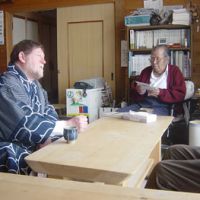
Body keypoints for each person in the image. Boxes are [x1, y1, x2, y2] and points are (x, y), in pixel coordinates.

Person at [0, 40, 88, 175]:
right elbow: (23, 121)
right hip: (10, 143)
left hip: (32, 141)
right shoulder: (6, 84)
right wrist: (65, 125)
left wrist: (47, 137)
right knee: (13, 154)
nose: (44, 62)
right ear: (22, 57)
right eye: (39, 56)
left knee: (68, 146)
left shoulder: (35, 85)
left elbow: (48, 110)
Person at [118, 45, 186, 116]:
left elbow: (180, 95)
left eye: (158, 59)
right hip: (142, 104)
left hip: (163, 106)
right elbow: (133, 95)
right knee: (118, 114)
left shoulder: (174, 71)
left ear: (167, 59)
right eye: (152, 58)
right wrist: (140, 92)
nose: (154, 62)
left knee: (145, 118)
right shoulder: (145, 71)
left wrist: (160, 92)